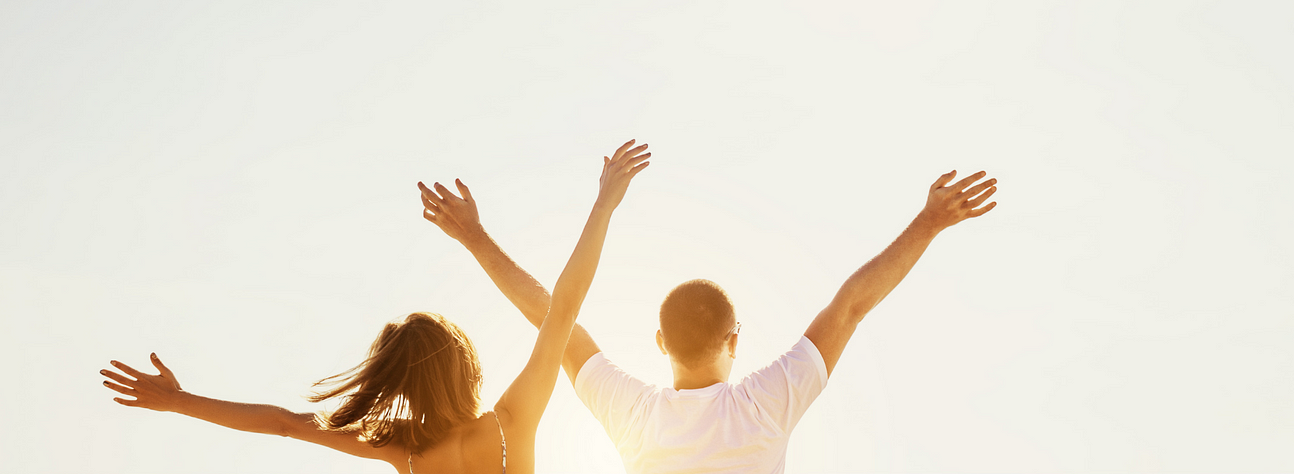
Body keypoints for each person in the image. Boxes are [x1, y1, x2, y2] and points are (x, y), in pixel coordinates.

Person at [98, 140, 653, 474]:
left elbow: (286, 425)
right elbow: (562, 310)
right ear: (467, 366)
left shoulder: (402, 447)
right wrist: (603, 203)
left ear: (399, 382)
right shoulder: (511, 422)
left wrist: (179, 401)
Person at [423, 167, 997, 474]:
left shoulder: (633, 413)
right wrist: (928, 222)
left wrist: (474, 237)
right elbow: (849, 305)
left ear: (659, 342)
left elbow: (551, 317)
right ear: (734, 338)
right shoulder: (766, 403)